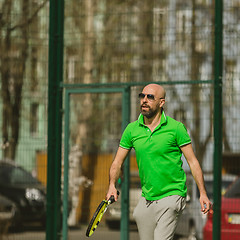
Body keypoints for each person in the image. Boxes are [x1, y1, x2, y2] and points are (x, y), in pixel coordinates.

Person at [106, 83, 211, 240]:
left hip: (172, 195)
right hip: (147, 198)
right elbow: (117, 163)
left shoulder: (176, 128)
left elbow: (193, 162)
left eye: (150, 97)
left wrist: (202, 192)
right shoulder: (132, 130)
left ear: (161, 102)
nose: (144, 100)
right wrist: (112, 185)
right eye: (142, 96)